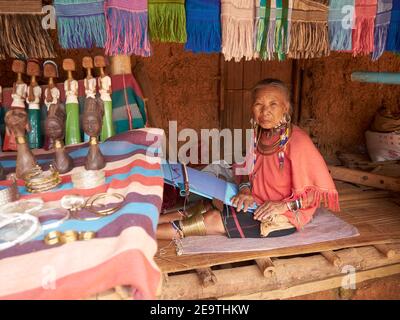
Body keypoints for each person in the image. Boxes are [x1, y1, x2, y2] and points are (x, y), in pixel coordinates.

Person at [157, 78, 339, 239]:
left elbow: (315, 195)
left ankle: (139, 234)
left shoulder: (298, 142)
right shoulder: (259, 135)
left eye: (273, 104)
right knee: (206, 205)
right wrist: (245, 190)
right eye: (259, 104)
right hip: (256, 201)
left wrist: (281, 206)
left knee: (212, 218)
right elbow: (245, 172)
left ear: (286, 107)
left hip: (282, 216)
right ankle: (147, 220)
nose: (265, 111)